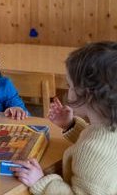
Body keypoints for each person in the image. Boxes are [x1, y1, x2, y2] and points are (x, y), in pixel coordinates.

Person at [12, 42, 117, 194]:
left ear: (87, 95)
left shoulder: (92, 152)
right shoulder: (107, 128)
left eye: (69, 86)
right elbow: (100, 142)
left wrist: (41, 182)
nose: (68, 91)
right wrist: (70, 125)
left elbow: (94, 151)